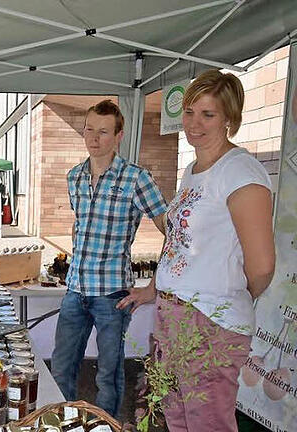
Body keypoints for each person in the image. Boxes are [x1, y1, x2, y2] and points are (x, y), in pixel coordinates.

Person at [117, 70, 275, 431]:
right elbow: (180, 244)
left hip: (210, 322)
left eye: (209, 114)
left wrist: (220, 297)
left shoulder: (240, 172)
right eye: (190, 112)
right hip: (174, 315)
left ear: (230, 119)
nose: (194, 123)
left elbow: (262, 265)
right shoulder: (193, 169)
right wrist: (155, 288)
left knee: (207, 423)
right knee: (176, 418)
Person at [50, 99, 167, 418]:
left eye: (103, 131)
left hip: (113, 294)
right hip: (75, 290)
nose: (94, 138)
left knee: (108, 376)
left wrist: (152, 287)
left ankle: (105, 427)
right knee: (61, 369)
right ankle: (64, 425)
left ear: (118, 136)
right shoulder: (74, 177)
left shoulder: (136, 178)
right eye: (89, 129)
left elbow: (173, 232)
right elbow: (81, 224)